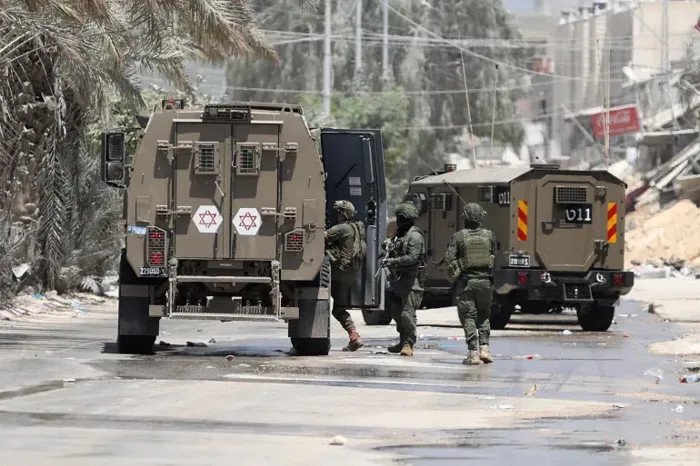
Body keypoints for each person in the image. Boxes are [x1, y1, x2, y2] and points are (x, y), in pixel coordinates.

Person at [445, 203, 496, 365]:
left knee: (468, 316)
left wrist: (460, 266)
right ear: (481, 217)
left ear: (464, 217)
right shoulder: (489, 235)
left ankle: (473, 353)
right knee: (484, 315)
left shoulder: (458, 237)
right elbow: (493, 255)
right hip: (486, 282)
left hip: (467, 283)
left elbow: (449, 260)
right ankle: (485, 349)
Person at [382, 202, 425, 357]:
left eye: (400, 218)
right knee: (395, 312)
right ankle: (402, 340)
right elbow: (394, 249)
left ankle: (409, 343)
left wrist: (392, 261)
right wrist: (387, 246)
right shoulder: (400, 234)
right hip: (398, 280)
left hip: (411, 281)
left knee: (407, 314)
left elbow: (412, 258)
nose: (398, 221)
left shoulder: (415, 236)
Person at [325, 200, 365, 351]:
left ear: (343, 213)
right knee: (338, 309)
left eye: (338, 212)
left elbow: (322, 236)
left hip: (338, 272)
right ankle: (354, 336)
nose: (337, 215)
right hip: (350, 274)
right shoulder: (357, 228)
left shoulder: (342, 228)